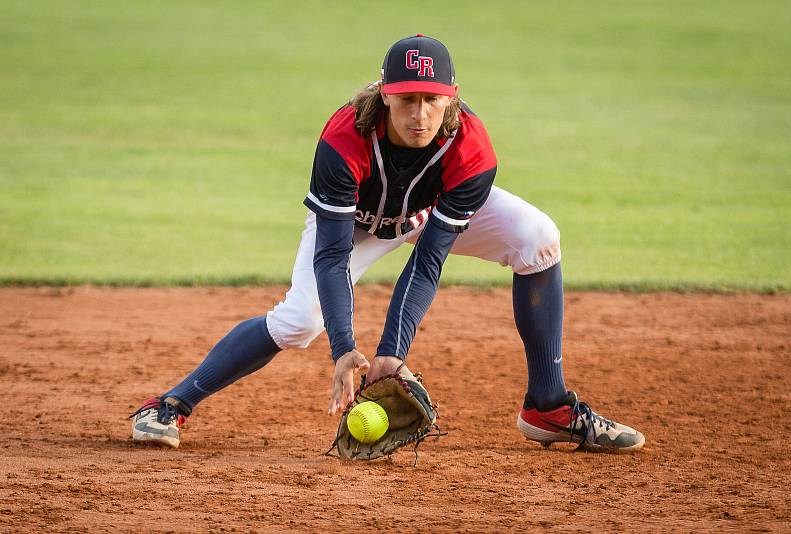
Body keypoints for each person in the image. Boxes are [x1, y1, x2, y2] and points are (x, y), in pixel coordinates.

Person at [130, 34, 645, 453]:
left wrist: (391, 356)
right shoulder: (344, 140)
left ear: (453, 96)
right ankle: (171, 403)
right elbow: (332, 255)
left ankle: (548, 406)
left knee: (538, 238)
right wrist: (345, 350)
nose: (419, 114)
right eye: (406, 99)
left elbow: (427, 262)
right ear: (384, 93)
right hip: (356, 226)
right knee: (300, 321)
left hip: (429, 214)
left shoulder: (472, 151)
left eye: (432, 100)